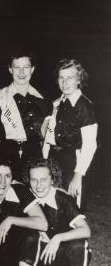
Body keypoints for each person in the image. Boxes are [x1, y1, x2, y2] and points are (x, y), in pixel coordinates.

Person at [20, 158, 91, 266]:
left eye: (44, 179)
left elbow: (86, 230)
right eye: (34, 180)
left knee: (79, 245)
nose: (38, 185)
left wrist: (58, 237)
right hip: (47, 251)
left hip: (68, 249)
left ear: (53, 179)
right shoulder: (27, 197)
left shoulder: (62, 197)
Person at [0, 48, 51, 179]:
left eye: (26, 67)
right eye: (16, 67)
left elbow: (45, 137)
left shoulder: (44, 100)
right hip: (5, 154)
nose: (21, 72)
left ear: (32, 69)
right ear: (10, 69)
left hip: (34, 156)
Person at [43, 59, 97, 207]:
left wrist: (78, 175)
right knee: (51, 205)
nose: (65, 82)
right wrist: (44, 161)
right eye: (61, 77)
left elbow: (90, 145)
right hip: (53, 161)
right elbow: (49, 137)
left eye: (70, 77)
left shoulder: (85, 106)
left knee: (71, 208)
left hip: (73, 163)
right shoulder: (56, 104)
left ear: (79, 79)